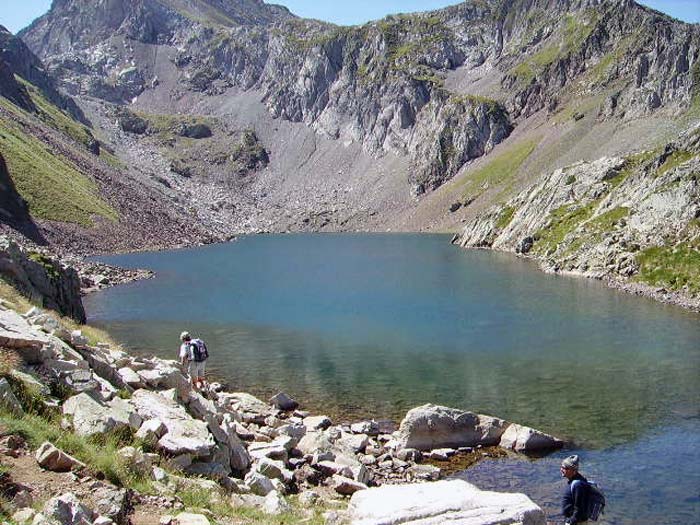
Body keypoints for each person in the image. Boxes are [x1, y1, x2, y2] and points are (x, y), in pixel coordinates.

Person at [560, 455, 590, 525]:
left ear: (574, 471)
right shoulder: (574, 481)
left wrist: (571, 521)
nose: (562, 469)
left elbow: (579, 508)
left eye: (565, 468)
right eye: (561, 466)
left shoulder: (578, 485)